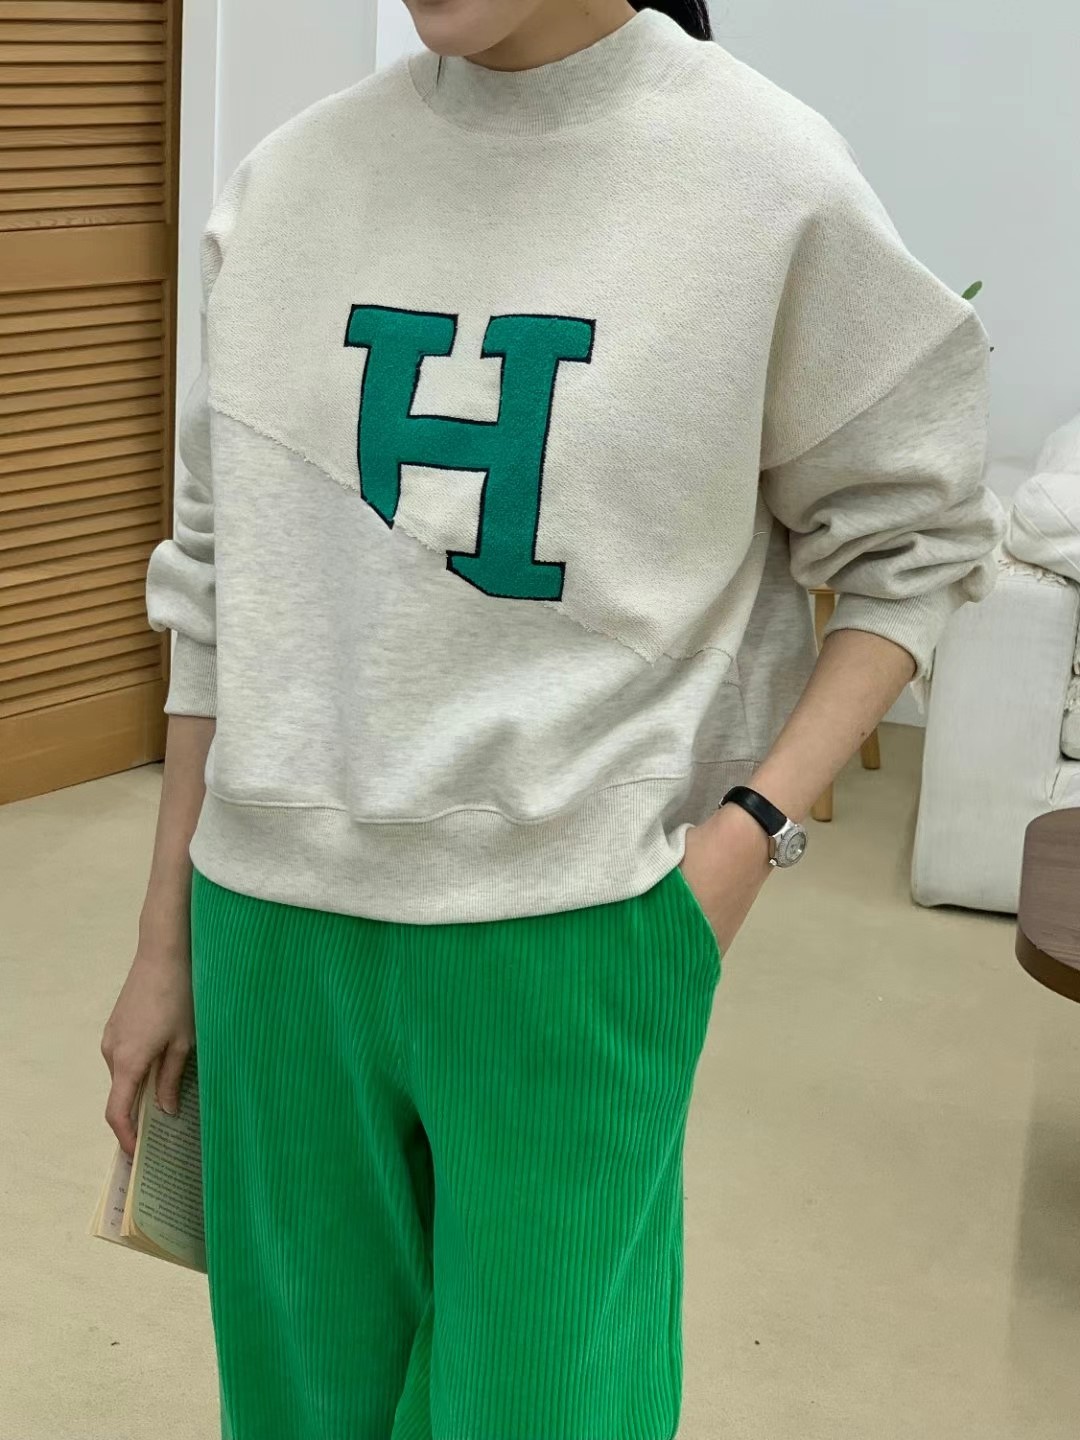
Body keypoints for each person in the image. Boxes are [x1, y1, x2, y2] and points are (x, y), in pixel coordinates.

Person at [101, 2, 1004, 1436]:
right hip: (270, 932)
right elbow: (220, 580)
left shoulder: (763, 176)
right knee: (295, 1407)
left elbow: (922, 538)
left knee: (548, 1407)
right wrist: (166, 944)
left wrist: (745, 839)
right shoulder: (289, 181)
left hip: (577, 930)